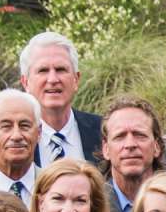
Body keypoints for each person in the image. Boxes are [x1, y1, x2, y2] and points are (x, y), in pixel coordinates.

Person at [20, 30, 103, 166]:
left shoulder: (103, 132)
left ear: (76, 79)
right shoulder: (12, 140)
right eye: (43, 70)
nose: (53, 79)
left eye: (60, 69)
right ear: (25, 82)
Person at [99, 95, 162, 212]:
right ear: (106, 149)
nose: (130, 144)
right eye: (120, 136)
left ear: (157, 146)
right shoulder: (92, 207)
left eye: (139, 135)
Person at [0, 88, 42, 201]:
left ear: (39, 133)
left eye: (25, 125)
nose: (16, 136)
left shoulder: (57, 186)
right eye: (6, 126)